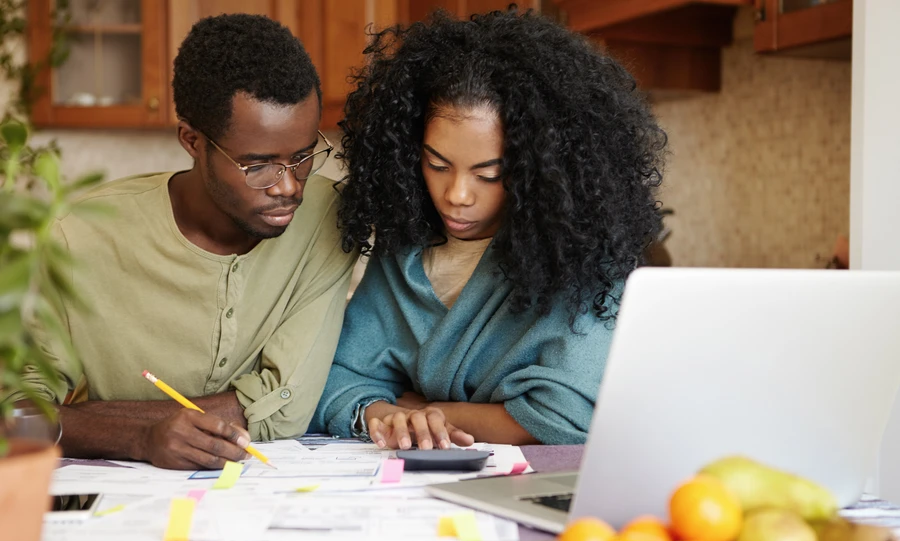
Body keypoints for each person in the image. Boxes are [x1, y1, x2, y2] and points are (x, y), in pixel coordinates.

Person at [2, 14, 358, 469]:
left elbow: (285, 409)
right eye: (258, 165)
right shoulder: (81, 236)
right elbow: (15, 413)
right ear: (192, 140)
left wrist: (82, 419)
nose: (289, 187)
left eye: (304, 155)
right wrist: (137, 437)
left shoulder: (330, 217)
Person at [310, 9, 666, 448]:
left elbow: (566, 418)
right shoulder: (403, 247)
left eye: (490, 174)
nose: (456, 194)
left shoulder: (579, 259)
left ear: (541, 170)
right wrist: (386, 415)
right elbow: (334, 380)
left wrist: (422, 412)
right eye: (437, 165)